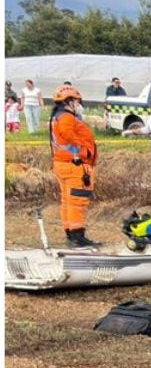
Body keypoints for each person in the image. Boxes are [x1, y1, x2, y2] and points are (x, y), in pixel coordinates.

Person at [46, 84, 101, 248]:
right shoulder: (66, 118)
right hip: (74, 166)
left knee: (67, 201)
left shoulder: (57, 116)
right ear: (69, 101)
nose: (79, 105)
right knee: (77, 201)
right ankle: (77, 237)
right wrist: (81, 149)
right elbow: (67, 133)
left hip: (63, 164)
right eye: (77, 101)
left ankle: (71, 234)